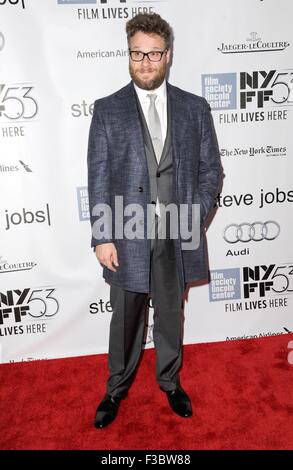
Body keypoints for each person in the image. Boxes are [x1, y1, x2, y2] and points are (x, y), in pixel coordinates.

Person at [87, 12, 222, 429]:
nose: (145, 62)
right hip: (125, 232)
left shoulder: (194, 108)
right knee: (126, 318)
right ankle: (116, 388)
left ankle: (170, 381)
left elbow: (211, 171)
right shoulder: (107, 110)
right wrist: (101, 236)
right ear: (128, 54)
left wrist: (195, 214)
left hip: (175, 231)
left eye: (153, 54)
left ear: (168, 55)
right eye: (137, 54)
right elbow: (98, 177)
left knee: (169, 314)